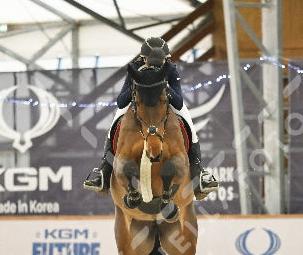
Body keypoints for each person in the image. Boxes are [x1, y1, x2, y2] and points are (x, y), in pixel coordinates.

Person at [83, 37, 218, 197]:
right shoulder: (135, 68)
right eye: (153, 61)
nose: (158, 65)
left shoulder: (171, 69)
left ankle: (199, 172)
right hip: (139, 104)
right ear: (144, 59)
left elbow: (179, 102)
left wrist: (164, 86)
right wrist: (136, 87)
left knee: (190, 126)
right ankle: (103, 173)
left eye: (162, 61)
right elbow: (121, 101)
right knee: (114, 126)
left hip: (164, 103)